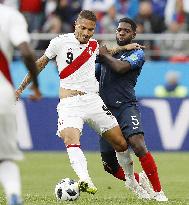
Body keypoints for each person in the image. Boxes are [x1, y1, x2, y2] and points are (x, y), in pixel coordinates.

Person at [15, 10, 150, 199]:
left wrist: (125, 48)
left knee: (120, 143)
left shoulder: (93, 45)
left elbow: (107, 51)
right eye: (83, 28)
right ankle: (85, 179)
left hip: (93, 101)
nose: (86, 33)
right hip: (69, 103)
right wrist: (21, 89)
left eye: (91, 30)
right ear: (76, 25)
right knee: (71, 138)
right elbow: (39, 64)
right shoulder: (59, 42)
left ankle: (132, 182)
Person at [96, 17, 168, 202]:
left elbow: (121, 68)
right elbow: (92, 73)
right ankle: (137, 180)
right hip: (105, 111)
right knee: (109, 166)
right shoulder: (109, 54)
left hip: (126, 106)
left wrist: (104, 55)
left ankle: (158, 192)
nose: (121, 33)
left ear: (134, 34)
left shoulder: (136, 53)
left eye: (126, 30)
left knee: (138, 144)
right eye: (119, 30)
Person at [0, 3, 41, 205]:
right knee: (5, 158)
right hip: (2, 93)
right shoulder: (10, 15)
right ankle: (13, 194)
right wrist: (35, 85)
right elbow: (26, 52)